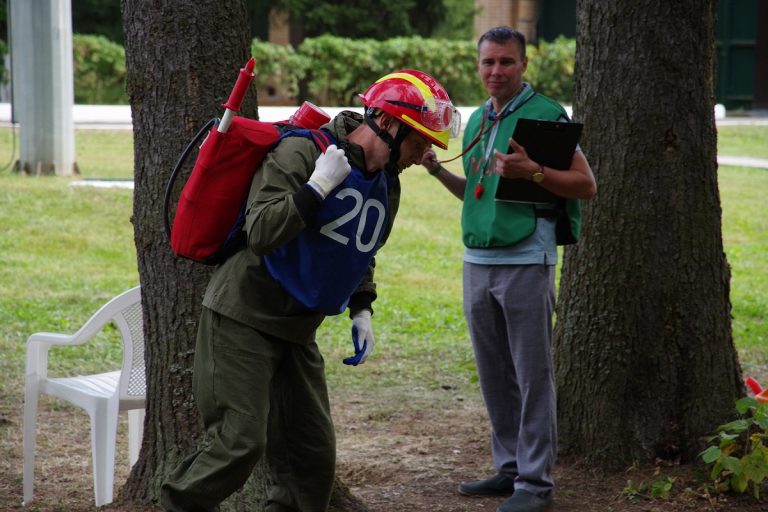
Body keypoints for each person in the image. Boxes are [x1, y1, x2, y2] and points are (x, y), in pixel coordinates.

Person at [160, 69, 460, 512]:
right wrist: (317, 188)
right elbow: (261, 230)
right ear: (390, 124)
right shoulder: (303, 150)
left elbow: (362, 246)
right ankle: (174, 505)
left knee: (311, 460)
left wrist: (362, 307)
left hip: (298, 331)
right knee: (238, 443)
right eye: (418, 142)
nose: (420, 157)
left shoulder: (386, 183)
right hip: (244, 314)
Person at [421, 27, 596, 512]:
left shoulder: (545, 116)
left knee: (532, 374)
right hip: (476, 260)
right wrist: (435, 169)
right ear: (478, 67)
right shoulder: (478, 118)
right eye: (488, 63)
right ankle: (510, 468)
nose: (496, 71)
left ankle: (536, 485)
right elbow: (478, 191)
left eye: (506, 62)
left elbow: (585, 185)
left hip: (526, 259)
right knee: (495, 373)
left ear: (523, 65)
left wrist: (534, 172)